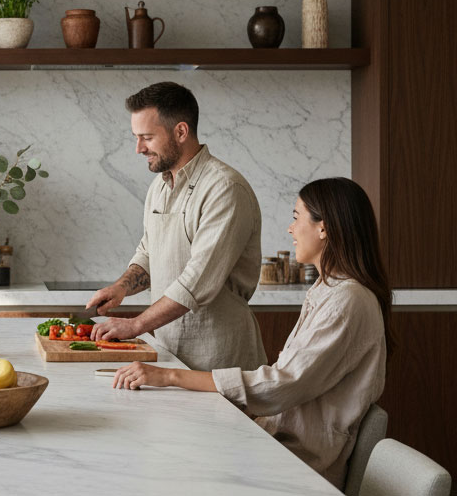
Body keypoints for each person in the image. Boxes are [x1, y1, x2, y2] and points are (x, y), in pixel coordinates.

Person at [112, 178, 391, 491]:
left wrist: (171, 377)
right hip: (279, 446)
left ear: (323, 228)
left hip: (299, 467)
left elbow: (282, 384)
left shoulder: (347, 301)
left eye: (297, 217)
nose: (290, 228)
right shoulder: (331, 291)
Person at [87, 81, 266, 371]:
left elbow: (198, 281)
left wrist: (136, 325)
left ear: (180, 131)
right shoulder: (159, 186)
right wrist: (121, 288)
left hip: (218, 361)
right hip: (170, 353)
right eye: (136, 137)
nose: (138, 148)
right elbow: (149, 251)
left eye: (146, 137)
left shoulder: (224, 189)